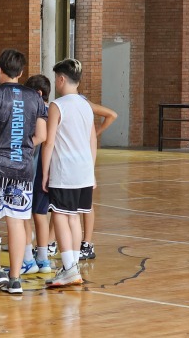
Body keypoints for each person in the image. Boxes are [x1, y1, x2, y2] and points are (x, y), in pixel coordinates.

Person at [0, 49, 47, 294]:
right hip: (23, 167)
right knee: (16, 220)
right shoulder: (35, 97)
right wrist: (22, 146)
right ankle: (15, 279)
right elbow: (42, 135)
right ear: (22, 72)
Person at [42, 58, 97, 287]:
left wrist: (45, 173)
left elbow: (49, 142)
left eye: (56, 78)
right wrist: (91, 171)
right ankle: (72, 267)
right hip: (84, 171)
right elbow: (93, 140)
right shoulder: (86, 104)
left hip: (65, 171)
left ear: (62, 79)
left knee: (60, 216)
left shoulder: (58, 105)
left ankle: (68, 268)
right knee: (74, 217)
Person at [21, 74, 53, 274]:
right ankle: (43, 259)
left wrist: (20, 146)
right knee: (41, 215)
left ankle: (27, 260)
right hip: (49, 171)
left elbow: (41, 138)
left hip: (34, 170)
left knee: (22, 215)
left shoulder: (39, 112)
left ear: (38, 94)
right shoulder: (55, 112)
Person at [79, 100, 117, 260]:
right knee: (64, 206)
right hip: (76, 160)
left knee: (84, 204)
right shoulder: (63, 103)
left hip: (82, 161)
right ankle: (53, 243)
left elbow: (112, 115)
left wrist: (96, 133)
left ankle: (87, 243)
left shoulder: (82, 102)